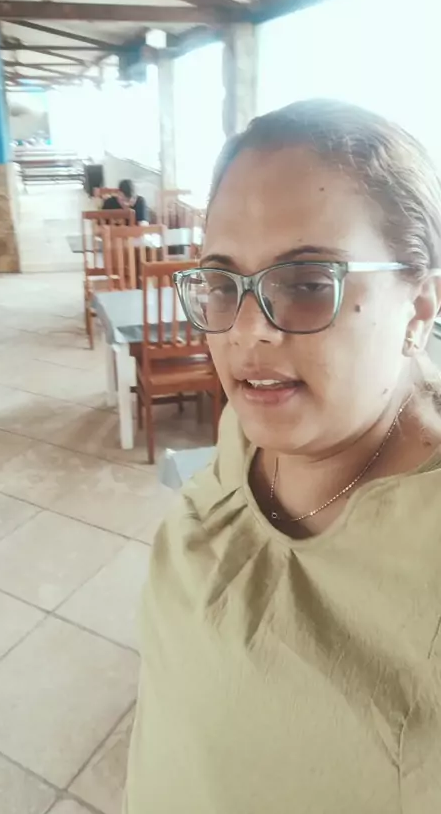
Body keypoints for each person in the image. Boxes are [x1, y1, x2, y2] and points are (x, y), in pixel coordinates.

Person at [124, 100, 441, 813]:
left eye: (306, 284)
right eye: (222, 284)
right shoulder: (249, 431)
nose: (248, 332)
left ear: (419, 307)